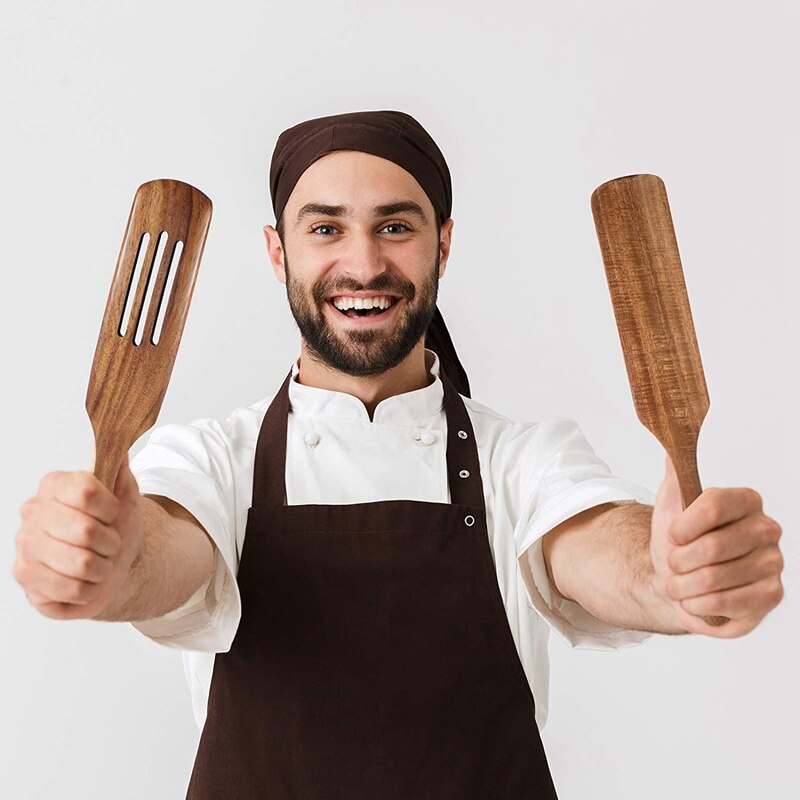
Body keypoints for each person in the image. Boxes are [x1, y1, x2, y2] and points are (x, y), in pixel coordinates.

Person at [13, 110, 785, 799]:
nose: (364, 264)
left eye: (395, 226)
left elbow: (597, 545)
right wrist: (111, 562)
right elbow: (162, 551)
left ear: (441, 244)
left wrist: (672, 571)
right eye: (325, 229)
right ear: (278, 253)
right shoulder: (216, 459)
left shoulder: (517, 459)